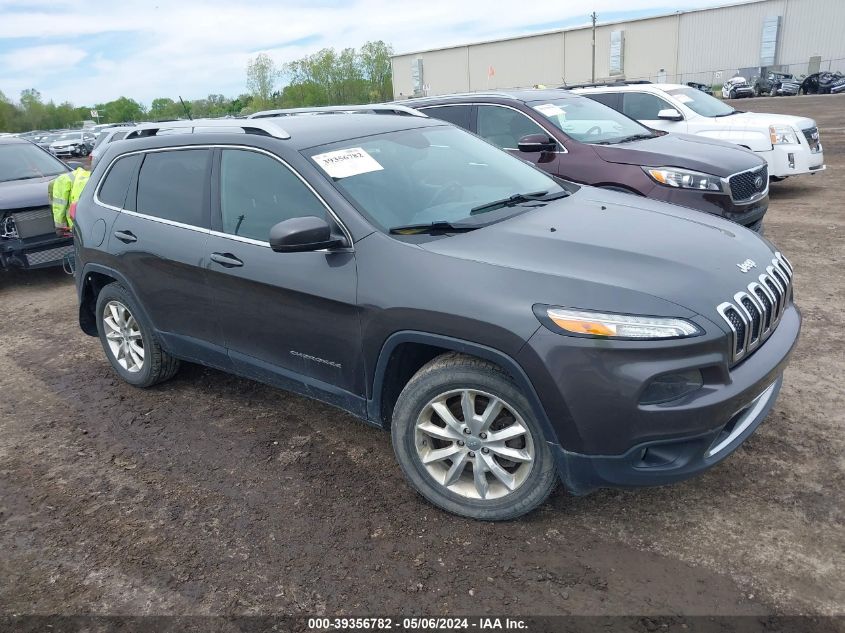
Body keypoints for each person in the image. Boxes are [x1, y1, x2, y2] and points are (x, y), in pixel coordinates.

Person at [51, 167, 90, 233]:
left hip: (76, 226)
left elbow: (59, 207)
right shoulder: (98, 176)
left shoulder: (63, 180)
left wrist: (60, 228)